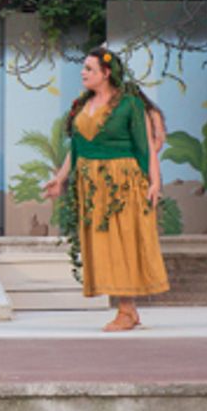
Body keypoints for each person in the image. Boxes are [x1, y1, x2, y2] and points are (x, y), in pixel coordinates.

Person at [44, 46, 169, 331]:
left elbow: (146, 145)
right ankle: (129, 310)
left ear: (106, 73)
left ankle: (126, 311)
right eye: (84, 68)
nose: (83, 73)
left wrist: (155, 181)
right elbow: (76, 146)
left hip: (121, 182)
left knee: (121, 242)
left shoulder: (129, 105)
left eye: (89, 69)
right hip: (91, 184)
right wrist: (61, 177)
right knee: (103, 245)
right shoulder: (81, 104)